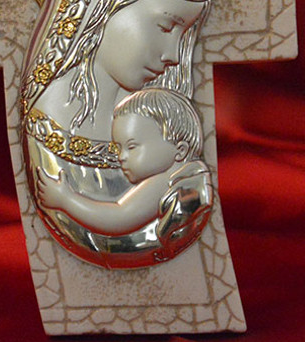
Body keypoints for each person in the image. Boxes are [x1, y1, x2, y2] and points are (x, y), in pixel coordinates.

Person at [20, 0, 214, 267]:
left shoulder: (159, 121)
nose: (173, 55)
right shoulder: (50, 123)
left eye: (182, 36)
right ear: (107, 3)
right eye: (166, 25)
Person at [36, 88, 212, 239]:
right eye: (118, 148)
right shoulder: (190, 175)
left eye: (132, 146)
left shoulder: (164, 182)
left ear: (179, 150)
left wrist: (66, 200)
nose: (121, 157)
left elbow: (119, 217)